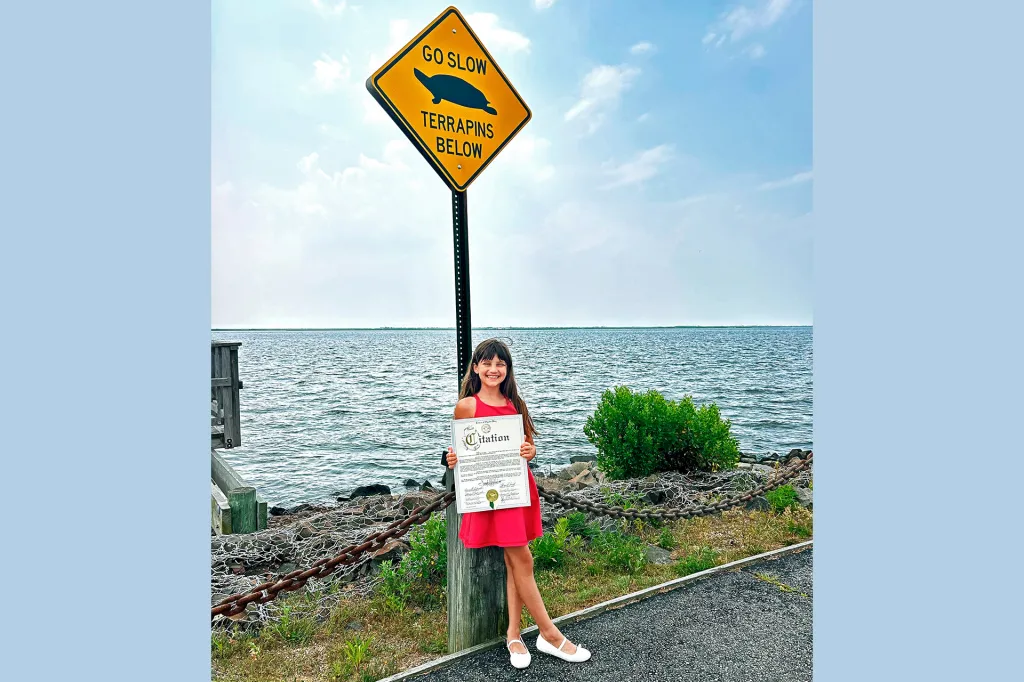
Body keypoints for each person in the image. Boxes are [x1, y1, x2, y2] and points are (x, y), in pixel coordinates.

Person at [444, 338, 592, 668]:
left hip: (515, 491)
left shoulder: (515, 403)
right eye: (487, 363)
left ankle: (514, 634)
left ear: (507, 369)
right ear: (477, 367)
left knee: (517, 562)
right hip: (487, 493)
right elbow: (459, 451)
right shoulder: (466, 406)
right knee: (522, 560)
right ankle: (550, 634)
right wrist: (451, 458)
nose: (494, 369)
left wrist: (530, 452)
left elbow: (528, 444)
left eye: (501, 364)